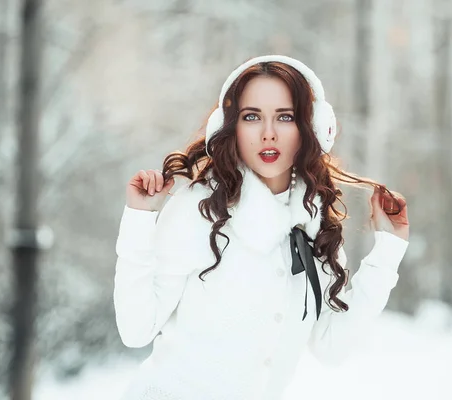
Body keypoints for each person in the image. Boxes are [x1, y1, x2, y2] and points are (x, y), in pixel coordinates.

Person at [113, 55, 410, 400]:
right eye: (251, 116)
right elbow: (136, 330)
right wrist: (140, 219)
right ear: (230, 127)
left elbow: (333, 346)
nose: (268, 134)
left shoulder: (313, 221)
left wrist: (387, 251)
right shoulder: (199, 209)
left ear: (311, 127)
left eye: (285, 117)